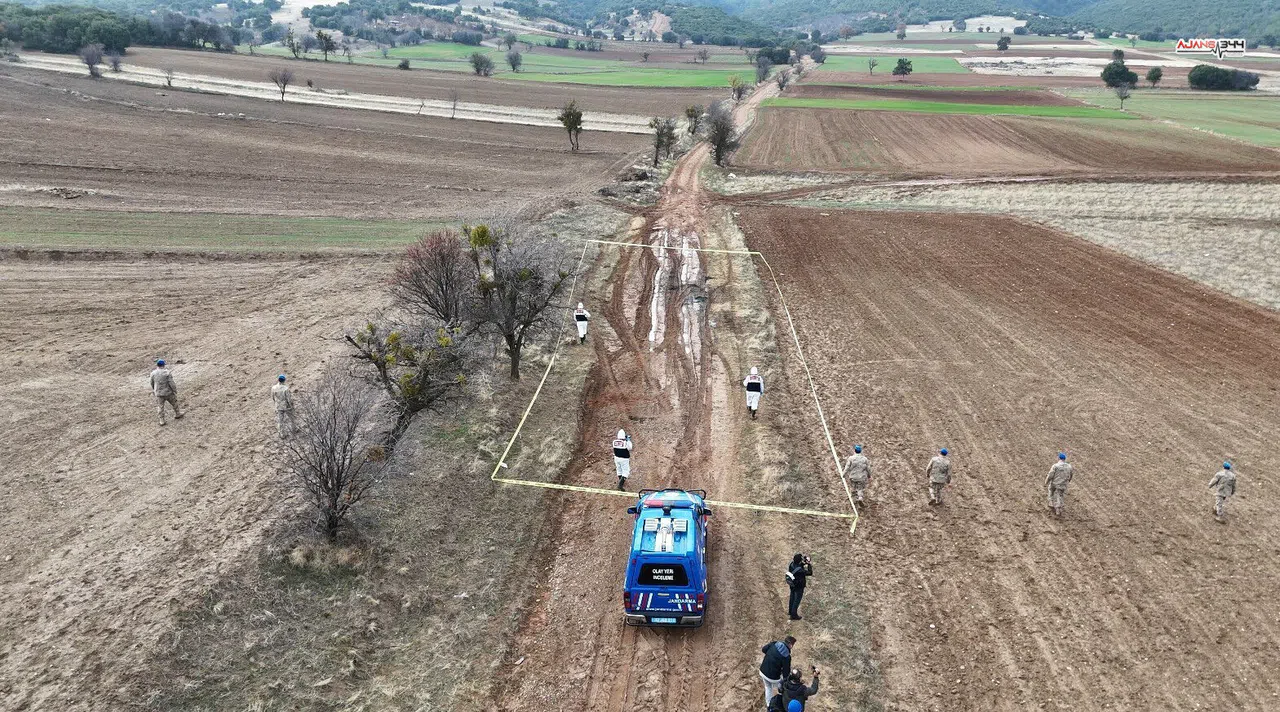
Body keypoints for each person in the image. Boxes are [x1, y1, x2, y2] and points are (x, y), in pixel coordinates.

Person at [758, 636, 795, 711]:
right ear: (791, 645)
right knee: (781, 688)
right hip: (773, 678)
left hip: (762, 671)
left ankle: (769, 705)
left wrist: (771, 656)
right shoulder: (787, 656)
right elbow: (786, 673)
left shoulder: (774, 643)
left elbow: (763, 649)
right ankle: (782, 704)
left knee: (768, 687)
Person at [149, 359, 183, 425]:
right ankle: (177, 413)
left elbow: (151, 382)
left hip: (159, 393)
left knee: (160, 407)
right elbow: (171, 383)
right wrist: (174, 390)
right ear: (164, 365)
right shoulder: (167, 372)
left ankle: (162, 420)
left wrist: (154, 389)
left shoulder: (153, 373)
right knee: (174, 403)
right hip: (168, 392)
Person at [786, 553, 813, 620]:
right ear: (799, 561)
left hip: (792, 584)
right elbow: (810, 572)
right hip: (799, 586)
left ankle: (790, 611)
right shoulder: (800, 571)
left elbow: (798, 566)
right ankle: (794, 615)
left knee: (792, 597)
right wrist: (809, 564)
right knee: (797, 600)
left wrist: (804, 563)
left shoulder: (791, 564)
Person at [1045, 452, 1074, 516]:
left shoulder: (1055, 466)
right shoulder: (1069, 466)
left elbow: (1050, 475)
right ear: (1065, 459)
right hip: (1063, 484)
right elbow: (1071, 475)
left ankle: (1051, 503)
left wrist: (1046, 481)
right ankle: (1058, 508)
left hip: (1055, 483)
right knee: (1059, 495)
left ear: (1058, 458)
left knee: (1051, 490)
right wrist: (1068, 481)